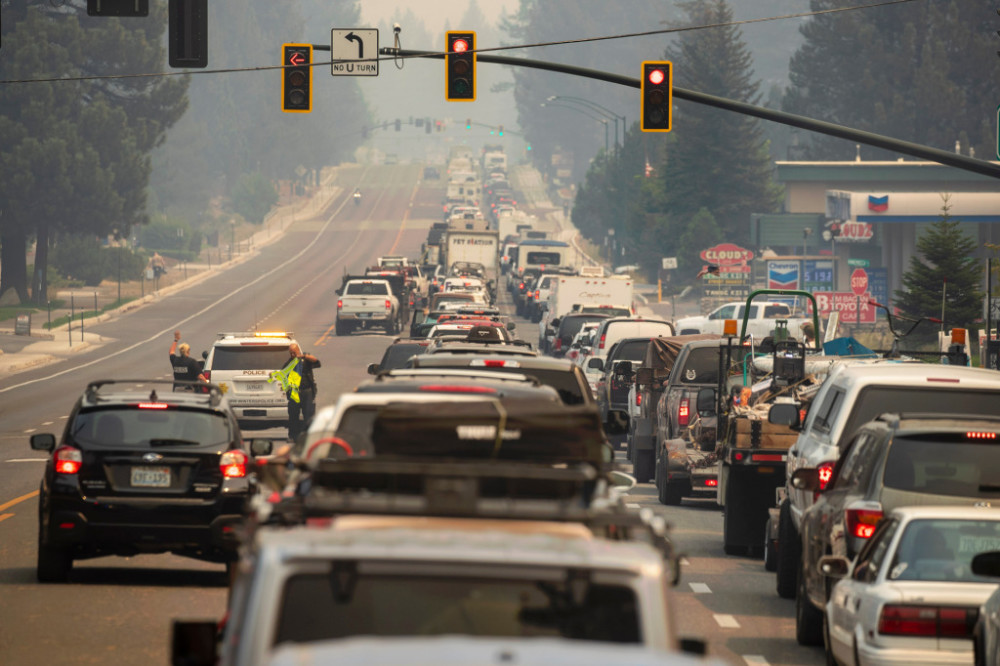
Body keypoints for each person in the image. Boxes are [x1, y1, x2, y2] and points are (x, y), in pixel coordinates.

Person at [282, 343, 320, 443]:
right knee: (293, 416)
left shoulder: (306, 360)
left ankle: (310, 436)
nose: (293, 355)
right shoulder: (289, 363)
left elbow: (317, 362)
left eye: (294, 352)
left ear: (298, 351)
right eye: (291, 353)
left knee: (308, 415)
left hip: (307, 391)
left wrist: (303, 356)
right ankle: (293, 436)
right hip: (295, 393)